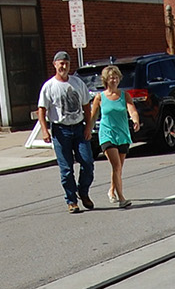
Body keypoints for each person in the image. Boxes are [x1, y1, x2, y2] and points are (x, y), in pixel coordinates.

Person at [36, 51, 94, 213]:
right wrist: (44, 130)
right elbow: (41, 110)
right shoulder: (49, 86)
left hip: (79, 128)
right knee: (66, 168)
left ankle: (83, 192)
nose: (63, 66)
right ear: (54, 65)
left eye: (66, 63)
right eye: (60, 63)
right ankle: (71, 201)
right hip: (60, 131)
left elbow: (86, 106)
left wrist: (88, 126)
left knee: (88, 163)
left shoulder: (77, 83)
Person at [91, 64, 140, 208]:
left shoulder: (124, 96)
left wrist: (135, 120)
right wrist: (87, 130)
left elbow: (132, 110)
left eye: (116, 77)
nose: (114, 80)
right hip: (107, 134)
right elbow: (93, 116)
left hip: (122, 134)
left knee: (118, 168)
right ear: (106, 80)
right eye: (111, 77)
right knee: (116, 165)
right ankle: (121, 198)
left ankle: (112, 190)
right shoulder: (100, 97)